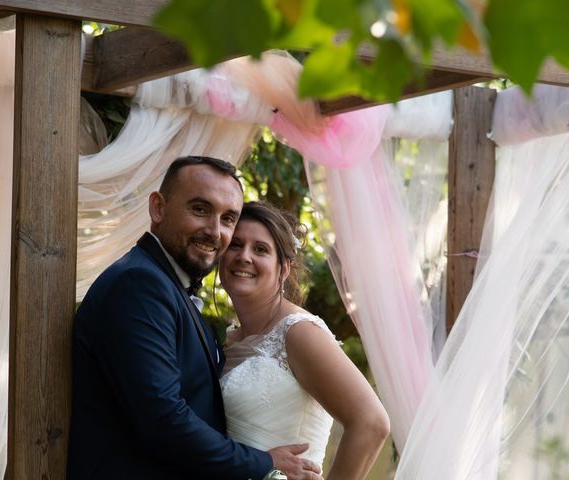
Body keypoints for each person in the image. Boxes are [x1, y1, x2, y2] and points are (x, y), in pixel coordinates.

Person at [67, 157, 322, 479]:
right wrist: (264, 462)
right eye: (200, 210)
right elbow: (162, 419)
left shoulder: (163, 283)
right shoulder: (139, 285)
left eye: (228, 218)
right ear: (158, 208)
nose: (214, 231)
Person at [219, 201, 390, 480]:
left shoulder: (299, 332)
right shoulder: (234, 335)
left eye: (260, 249)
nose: (244, 256)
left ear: (284, 268)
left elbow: (371, 423)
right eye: (235, 245)